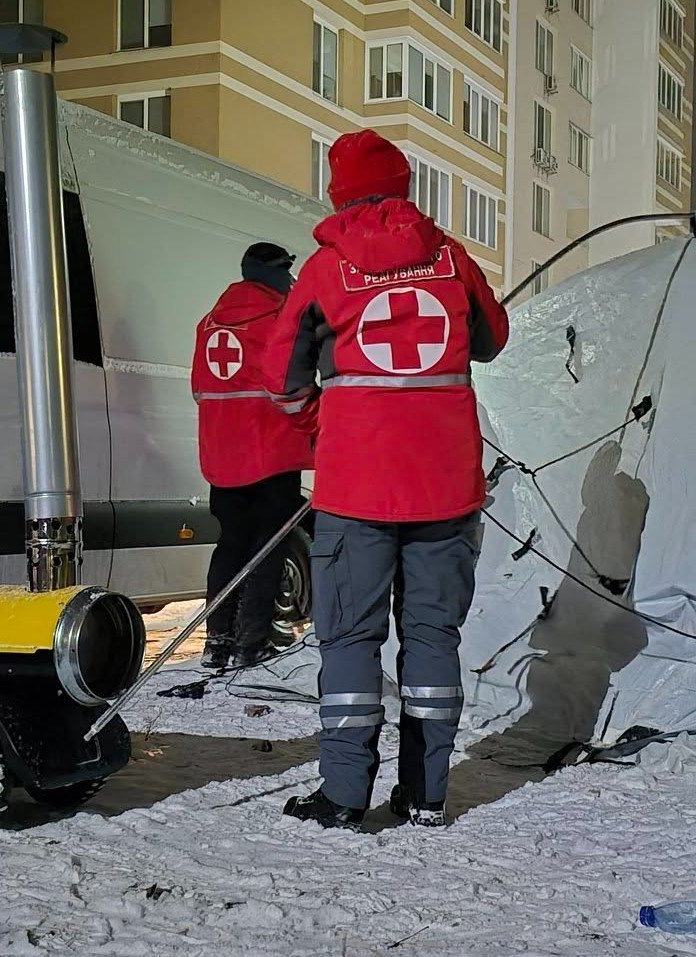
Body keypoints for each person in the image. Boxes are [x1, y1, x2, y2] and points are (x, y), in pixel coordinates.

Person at [269, 131, 509, 829]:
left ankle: (344, 796)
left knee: (349, 638)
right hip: (445, 487)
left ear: (336, 192)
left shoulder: (323, 270)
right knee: (433, 637)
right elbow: (492, 337)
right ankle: (427, 794)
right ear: (404, 188)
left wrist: (329, 423)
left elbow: (280, 381)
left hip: (355, 491)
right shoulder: (449, 258)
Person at [190, 242, 316, 670]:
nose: (292, 278)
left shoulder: (209, 322)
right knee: (268, 548)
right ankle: (252, 643)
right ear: (271, 274)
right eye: (286, 270)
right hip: (270, 453)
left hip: (222, 459)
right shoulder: (280, 318)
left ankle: (216, 641)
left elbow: (199, 390)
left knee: (230, 545)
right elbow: (292, 384)